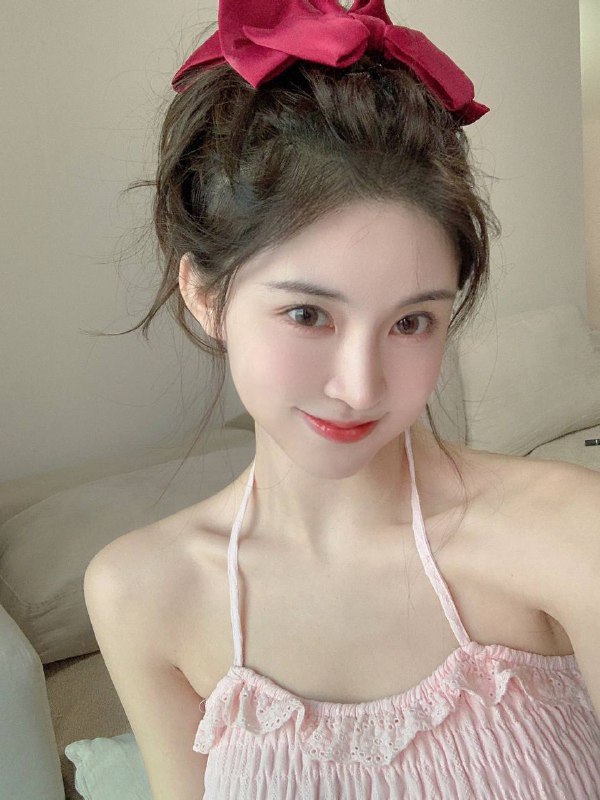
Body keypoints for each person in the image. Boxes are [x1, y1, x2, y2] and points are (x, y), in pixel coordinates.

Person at [84, 1, 600, 798]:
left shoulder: (571, 533)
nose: (360, 388)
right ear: (205, 296)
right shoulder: (142, 592)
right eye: (307, 314)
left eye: (411, 322)